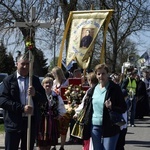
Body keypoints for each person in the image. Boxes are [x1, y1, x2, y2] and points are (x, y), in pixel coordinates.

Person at [0, 53, 48, 150]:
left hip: (30, 123)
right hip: (13, 123)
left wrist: (35, 94)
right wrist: (22, 108)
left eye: (27, 64)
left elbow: (44, 100)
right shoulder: (9, 80)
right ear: (17, 64)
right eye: (23, 64)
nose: (25, 66)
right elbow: (2, 100)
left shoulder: (34, 80)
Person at [82, 63, 127, 150]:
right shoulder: (93, 90)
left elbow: (123, 107)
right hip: (95, 125)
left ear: (108, 74)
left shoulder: (114, 88)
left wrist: (112, 107)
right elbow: (88, 107)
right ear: (96, 75)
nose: (101, 76)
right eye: (98, 74)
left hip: (110, 125)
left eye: (103, 73)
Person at [36, 77, 66, 150]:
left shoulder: (56, 96)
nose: (48, 84)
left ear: (52, 85)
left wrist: (59, 115)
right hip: (41, 121)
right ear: (42, 85)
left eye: (50, 83)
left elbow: (61, 107)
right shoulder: (39, 95)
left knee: (49, 143)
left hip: (52, 121)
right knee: (40, 143)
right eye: (46, 83)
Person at [73, 72, 98, 150]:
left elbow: (84, 104)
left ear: (90, 80)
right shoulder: (99, 89)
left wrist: (76, 113)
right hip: (96, 117)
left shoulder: (90, 91)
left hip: (89, 117)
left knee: (88, 138)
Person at [51, 66, 69, 150]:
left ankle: (62, 146)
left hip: (65, 106)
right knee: (54, 127)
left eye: (54, 73)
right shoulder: (54, 82)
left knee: (63, 127)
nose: (53, 75)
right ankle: (54, 145)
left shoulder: (66, 82)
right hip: (55, 106)